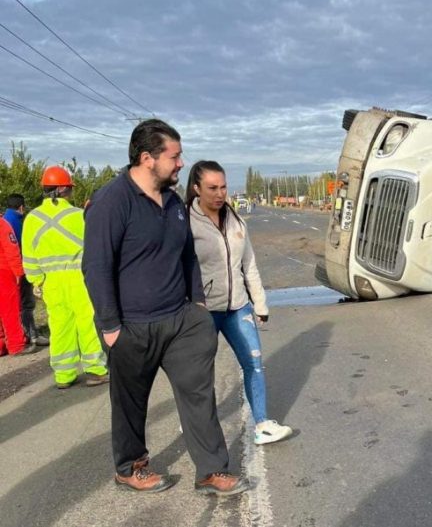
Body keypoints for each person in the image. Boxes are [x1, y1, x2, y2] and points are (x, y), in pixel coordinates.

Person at [82, 119, 247, 496]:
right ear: (147, 158)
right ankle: (130, 467)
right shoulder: (112, 201)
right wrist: (110, 326)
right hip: (131, 326)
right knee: (130, 404)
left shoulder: (173, 202)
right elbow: (96, 266)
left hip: (180, 321)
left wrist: (199, 307)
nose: (180, 163)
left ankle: (211, 471)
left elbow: (187, 256)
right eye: (174, 156)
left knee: (198, 395)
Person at [186, 160, 292, 445]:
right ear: (196, 189)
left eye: (223, 187)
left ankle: (262, 424)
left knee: (254, 363)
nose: (220, 194)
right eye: (212, 188)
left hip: (238, 307)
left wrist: (260, 304)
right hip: (202, 311)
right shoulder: (185, 222)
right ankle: (197, 424)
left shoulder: (236, 221)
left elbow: (250, 265)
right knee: (199, 374)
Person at [21, 168, 107, 386]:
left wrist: (36, 281)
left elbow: (29, 256)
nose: (70, 192)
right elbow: (95, 248)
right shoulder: (78, 215)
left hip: (51, 284)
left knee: (59, 327)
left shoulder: (32, 219)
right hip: (80, 280)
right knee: (88, 323)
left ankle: (63, 375)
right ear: (61, 189)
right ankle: (95, 370)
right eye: (68, 188)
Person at [3, 193, 49, 347]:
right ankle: (31, 334)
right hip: (17, 270)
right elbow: (17, 249)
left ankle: (11, 338)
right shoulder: (15, 222)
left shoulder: (5, 220)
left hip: (6, 271)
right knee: (26, 304)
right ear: (21, 207)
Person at [0, 214, 32, 356]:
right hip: (4, 272)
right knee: (10, 311)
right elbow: (12, 250)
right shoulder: (2, 224)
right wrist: (19, 272)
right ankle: (16, 345)